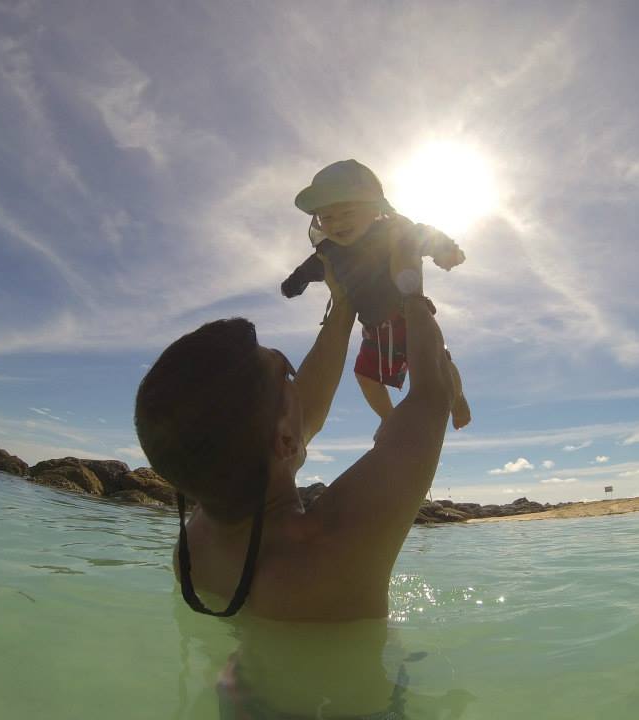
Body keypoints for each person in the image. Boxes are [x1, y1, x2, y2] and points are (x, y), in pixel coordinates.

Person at [135, 232, 460, 716]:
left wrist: (343, 303)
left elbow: (286, 422)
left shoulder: (195, 541)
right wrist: (410, 290)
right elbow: (431, 399)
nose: (297, 383)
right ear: (286, 442)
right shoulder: (332, 547)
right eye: (285, 373)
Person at [281, 159, 471, 435]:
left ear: (374, 210)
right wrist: (294, 283)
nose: (337, 224)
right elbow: (309, 269)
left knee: (434, 362)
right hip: (373, 326)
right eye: (327, 218)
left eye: (346, 213)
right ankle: (390, 417)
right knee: (365, 376)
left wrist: (447, 251)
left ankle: (457, 399)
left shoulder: (392, 231)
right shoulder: (329, 251)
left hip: (404, 313)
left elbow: (424, 234)